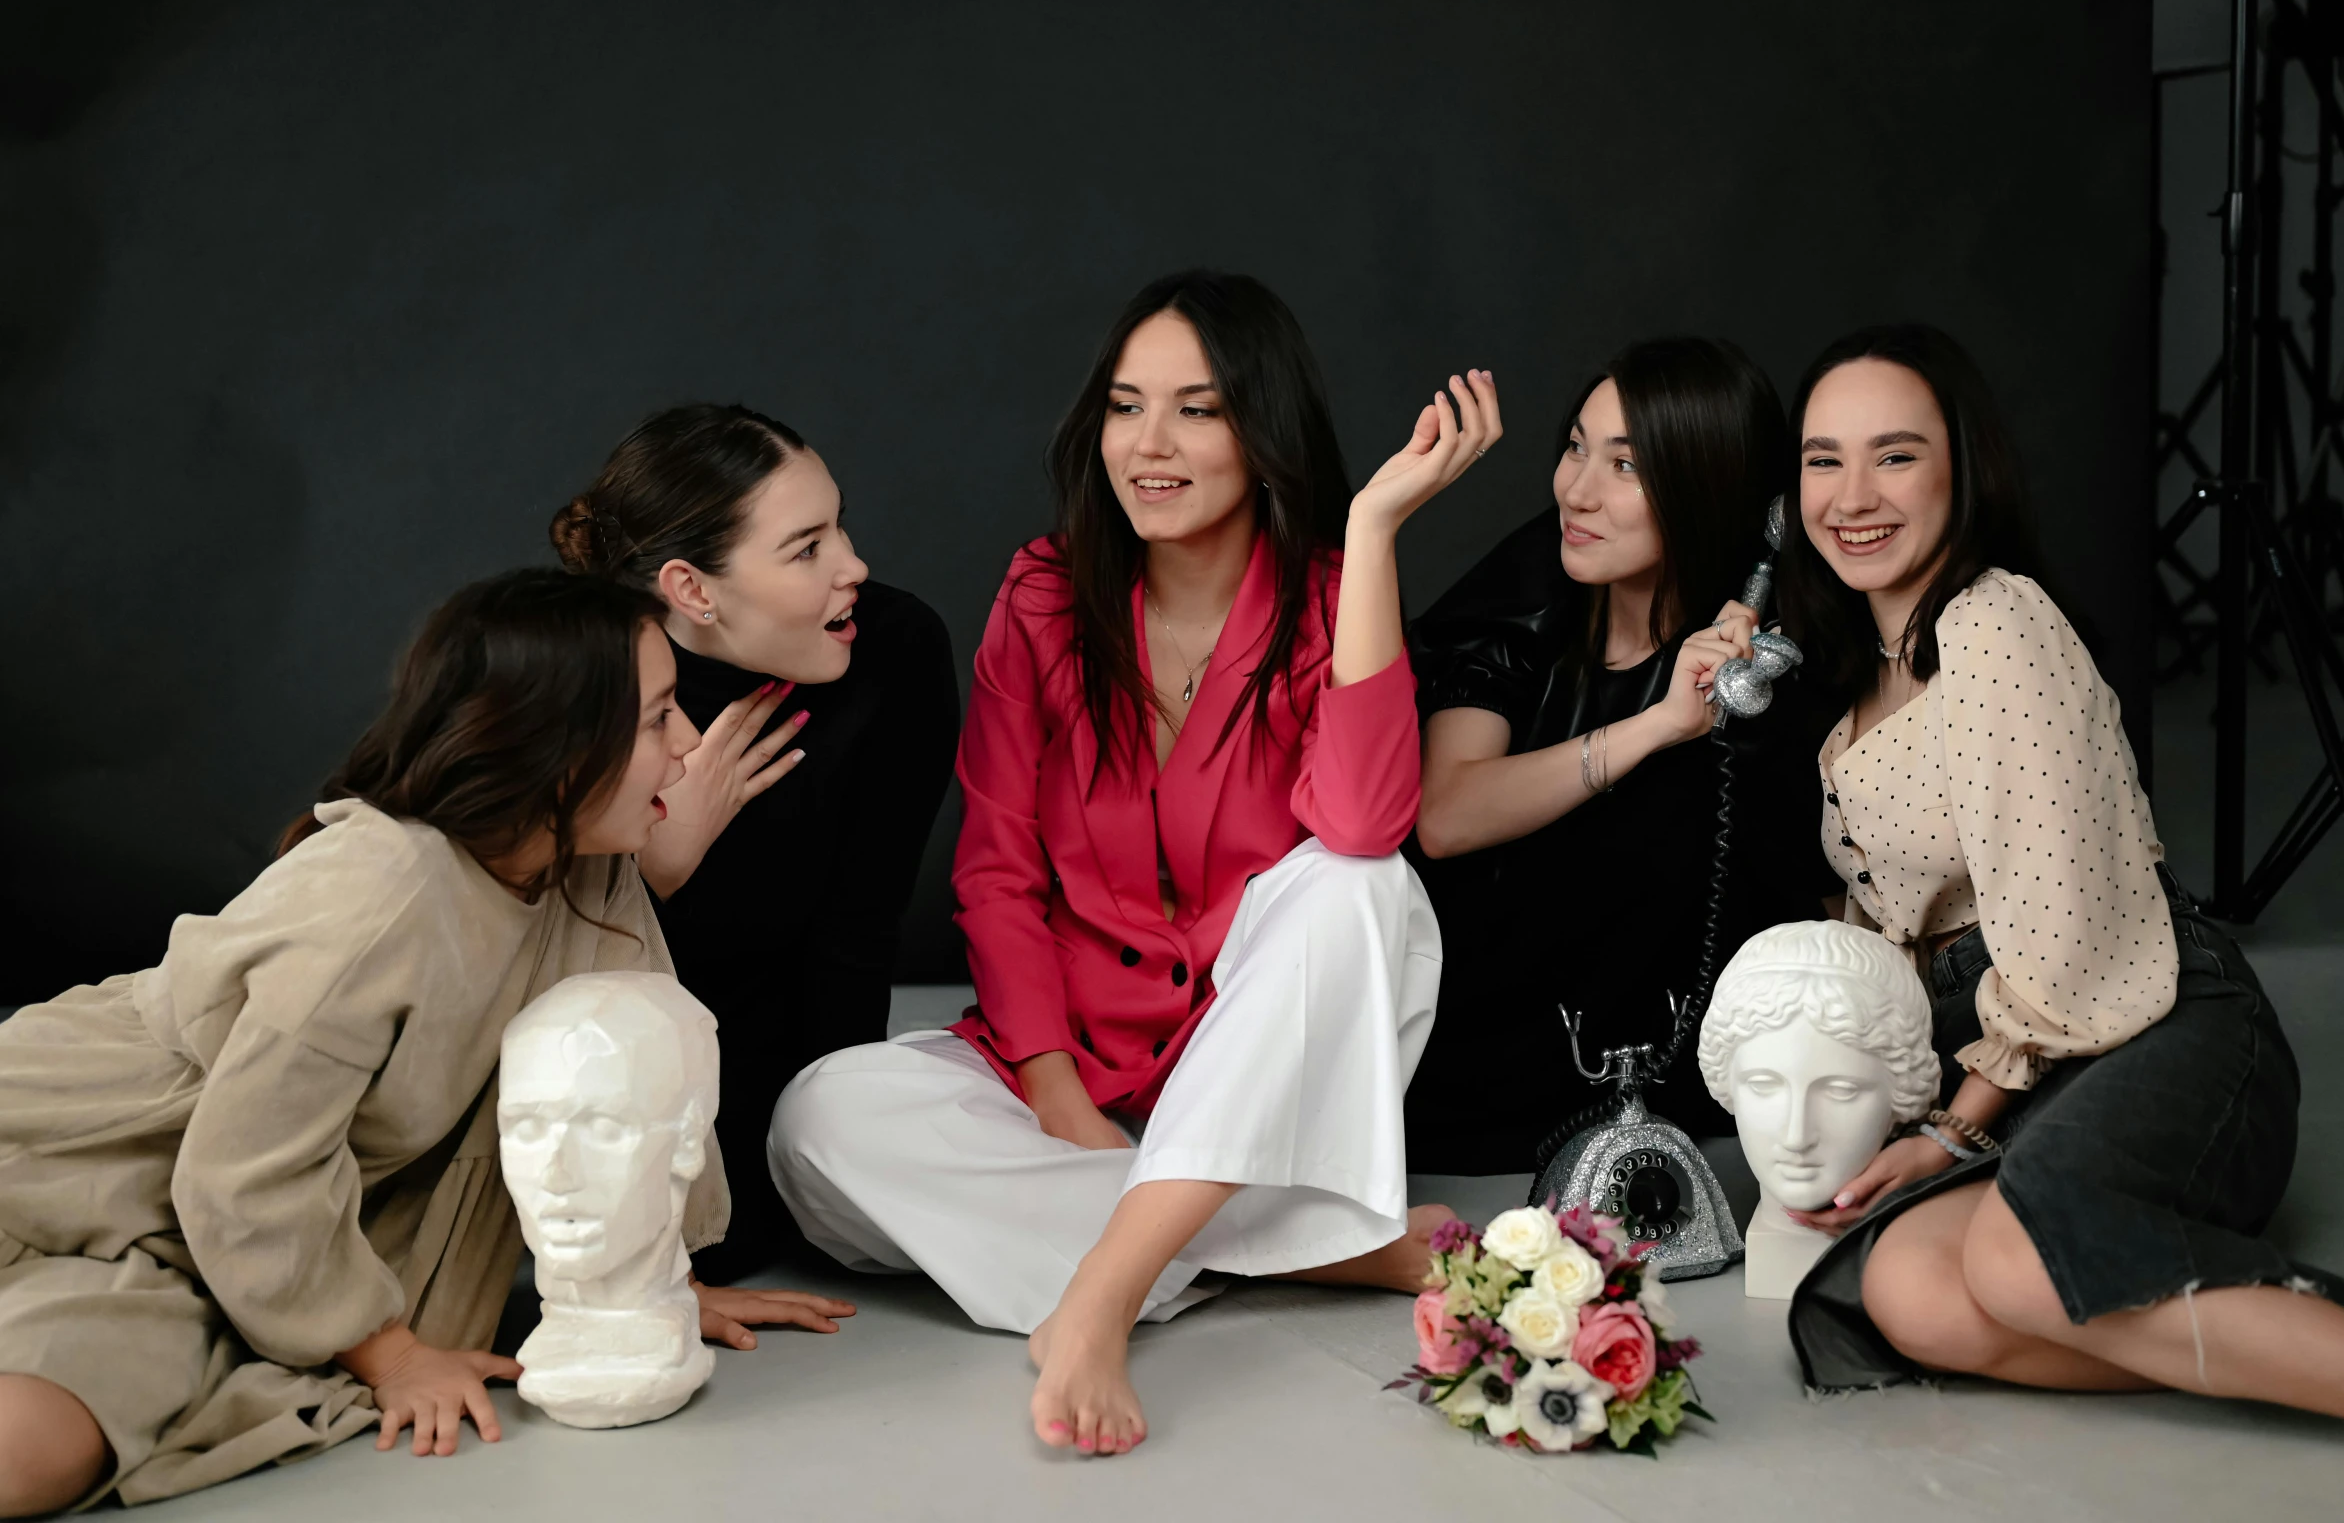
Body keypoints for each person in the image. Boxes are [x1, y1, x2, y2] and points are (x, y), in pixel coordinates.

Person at [770, 269, 1491, 1457]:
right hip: (1077, 1080)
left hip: (1258, 1062)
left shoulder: (1327, 599)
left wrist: (1369, 533)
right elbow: (996, 867)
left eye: (1197, 410)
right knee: (817, 1120)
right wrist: (1053, 1089)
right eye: (1124, 405)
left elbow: (1364, 821)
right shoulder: (1046, 596)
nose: (1149, 445)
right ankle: (1317, 1240)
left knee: (1360, 882)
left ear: (1263, 433)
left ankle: (1101, 1290)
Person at [0, 570, 852, 1515]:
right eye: (659, 719)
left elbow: (643, 1057)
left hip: (242, 1232)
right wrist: (392, 1353)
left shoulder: (589, 867)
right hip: (85, 1158)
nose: (689, 747)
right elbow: (241, 1167)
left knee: (46, 1446)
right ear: (559, 748)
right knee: (20, 1460)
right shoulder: (382, 894)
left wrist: (659, 1277)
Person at [1774, 323, 2344, 1417]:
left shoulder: (1994, 619)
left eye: (1895, 454)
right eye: (1822, 459)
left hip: (2154, 1012)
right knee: (1909, 1291)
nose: (1853, 493)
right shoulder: (1862, 669)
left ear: (1963, 468)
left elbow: (2064, 916)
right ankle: (2244, 1340)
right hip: (2025, 1041)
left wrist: (1957, 1120)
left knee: (2003, 1264)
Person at [1405, 338, 1841, 1170]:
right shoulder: (1529, 595)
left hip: (1655, 1069)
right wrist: (1650, 729)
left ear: (1703, 489)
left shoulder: (1764, 657)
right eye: (1575, 447)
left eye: (1625, 466)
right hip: (1471, 1044)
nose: (1577, 490)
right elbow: (1446, 815)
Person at [551, 405, 959, 1283]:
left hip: (798, 1054)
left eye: (839, 526)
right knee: (709, 1249)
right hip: (628, 1073)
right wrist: (659, 866)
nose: (854, 566)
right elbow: (538, 987)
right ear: (692, 590)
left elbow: (861, 925)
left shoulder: (893, 648)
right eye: (807, 548)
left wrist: (831, 1143)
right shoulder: (586, 687)